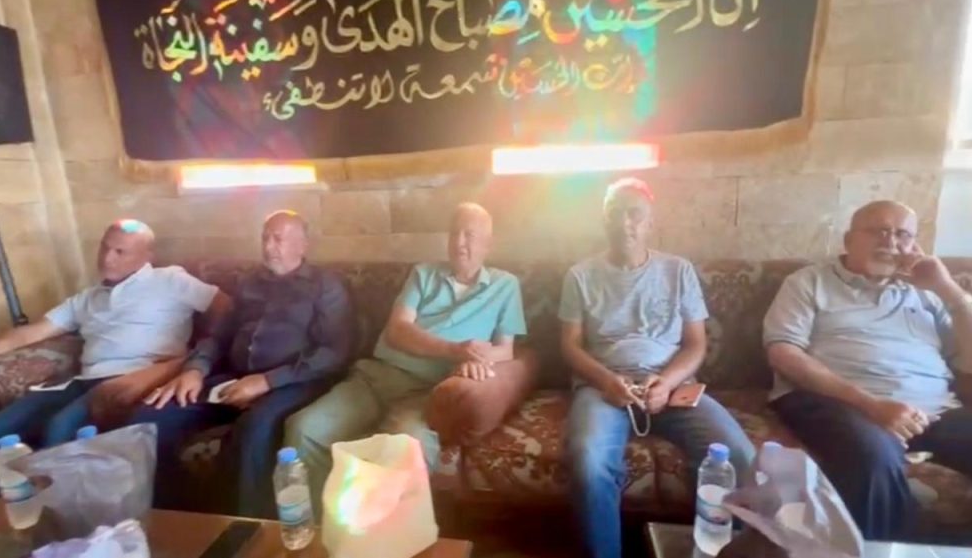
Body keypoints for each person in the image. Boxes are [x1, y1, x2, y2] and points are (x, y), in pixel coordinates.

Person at [764, 200, 972, 541]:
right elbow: (783, 353)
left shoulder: (928, 294)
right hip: (839, 402)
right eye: (878, 231)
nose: (890, 242)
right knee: (873, 456)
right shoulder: (809, 282)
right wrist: (872, 406)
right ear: (848, 240)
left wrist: (948, 289)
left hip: (933, 410)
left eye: (902, 235)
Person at [284, 202, 527, 517]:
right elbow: (397, 330)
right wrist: (455, 350)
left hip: (428, 393)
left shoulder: (505, 286)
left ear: (488, 244)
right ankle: (319, 529)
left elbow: (506, 350)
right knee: (303, 429)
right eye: (454, 233)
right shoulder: (423, 274)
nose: (459, 243)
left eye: (469, 235)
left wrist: (476, 361)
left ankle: (390, 539)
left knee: (404, 449)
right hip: (375, 379)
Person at [560, 178, 755, 558]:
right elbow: (569, 345)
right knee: (588, 461)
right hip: (603, 388)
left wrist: (666, 383)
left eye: (634, 214)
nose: (624, 223)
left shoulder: (678, 270)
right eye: (615, 214)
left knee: (739, 455)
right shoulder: (580, 275)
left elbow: (696, 343)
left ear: (651, 222)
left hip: (672, 384)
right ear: (604, 221)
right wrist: (607, 380)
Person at [0, 220, 226, 493]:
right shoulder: (87, 298)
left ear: (147, 256)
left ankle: (67, 516)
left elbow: (225, 308)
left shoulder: (170, 280)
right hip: (82, 381)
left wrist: (196, 356)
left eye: (120, 252)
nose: (107, 258)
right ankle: (15, 511)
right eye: (105, 248)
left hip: (136, 379)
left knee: (60, 431)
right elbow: (30, 333)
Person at [132, 211, 353, 517]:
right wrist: (195, 369)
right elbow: (218, 335)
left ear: (303, 245)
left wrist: (267, 381)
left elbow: (334, 352)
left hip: (293, 382)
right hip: (232, 378)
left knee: (254, 430)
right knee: (150, 416)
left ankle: (249, 528)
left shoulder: (325, 287)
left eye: (278, 239)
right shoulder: (249, 283)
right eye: (265, 238)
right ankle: (167, 521)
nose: (269, 247)